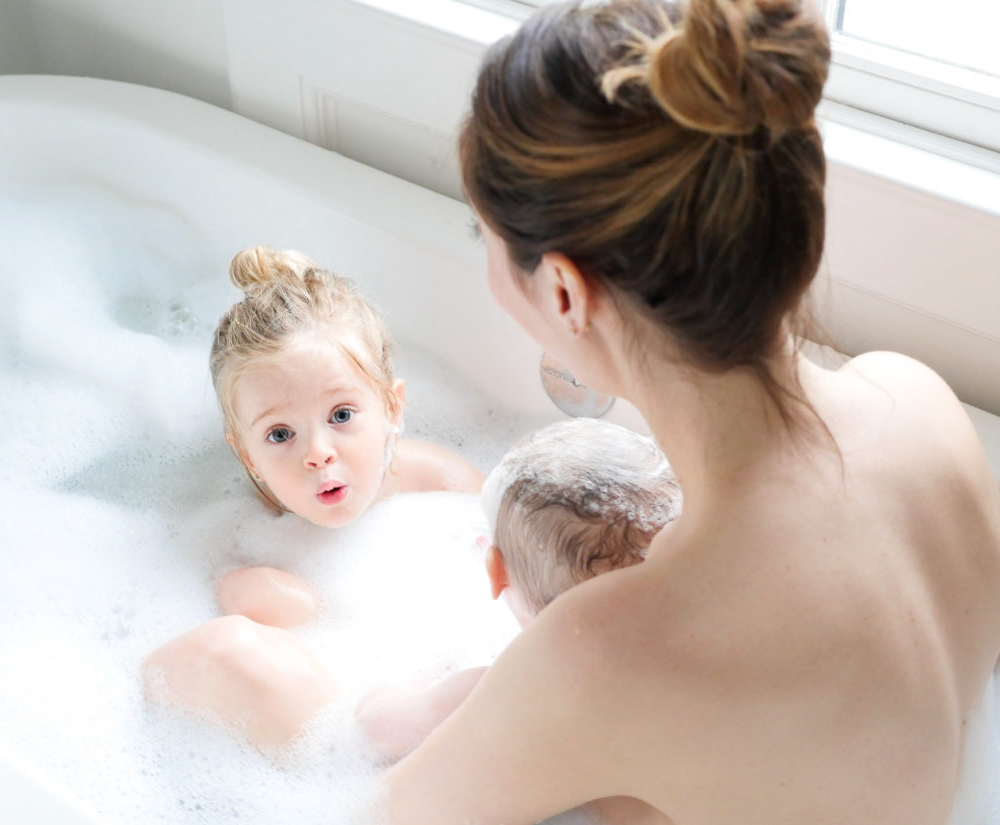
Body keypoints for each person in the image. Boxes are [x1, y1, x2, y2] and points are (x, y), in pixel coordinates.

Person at [384, 1, 1000, 824]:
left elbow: (371, 810)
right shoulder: (919, 402)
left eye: (481, 233)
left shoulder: (607, 652)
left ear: (565, 292)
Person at [144, 245, 484, 746]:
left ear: (393, 406)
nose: (318, 454)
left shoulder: (439, 483)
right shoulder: (252, 512)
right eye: (280, 435)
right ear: (245, 454)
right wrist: (302, 604)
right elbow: (231, 586)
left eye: (342, 416)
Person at [356, 417, 682, 763]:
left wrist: (402, 689)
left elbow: (380, 731)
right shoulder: (688, 665)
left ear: (496, 571)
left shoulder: (509, 687)